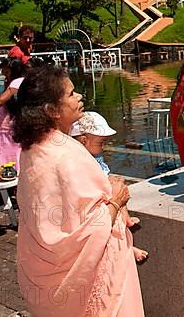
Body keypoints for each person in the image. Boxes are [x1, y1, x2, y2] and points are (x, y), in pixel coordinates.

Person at [12, 64, 144, 316]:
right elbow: (81, 234)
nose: (79, 96)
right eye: (71, 94)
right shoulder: (64, 155)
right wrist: (116, 202)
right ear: (51, 110)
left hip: (45, 278)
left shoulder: (33, 149)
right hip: (90, 283)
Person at [71, 110, 149, 263]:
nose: (104, 147)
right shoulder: (78, 161)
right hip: (100, 205)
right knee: (112, 225)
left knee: (121, 204)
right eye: (101, 143)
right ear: (83, 140)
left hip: (108, 196)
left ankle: (127, 230)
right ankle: (128, 248)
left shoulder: (96, 157)